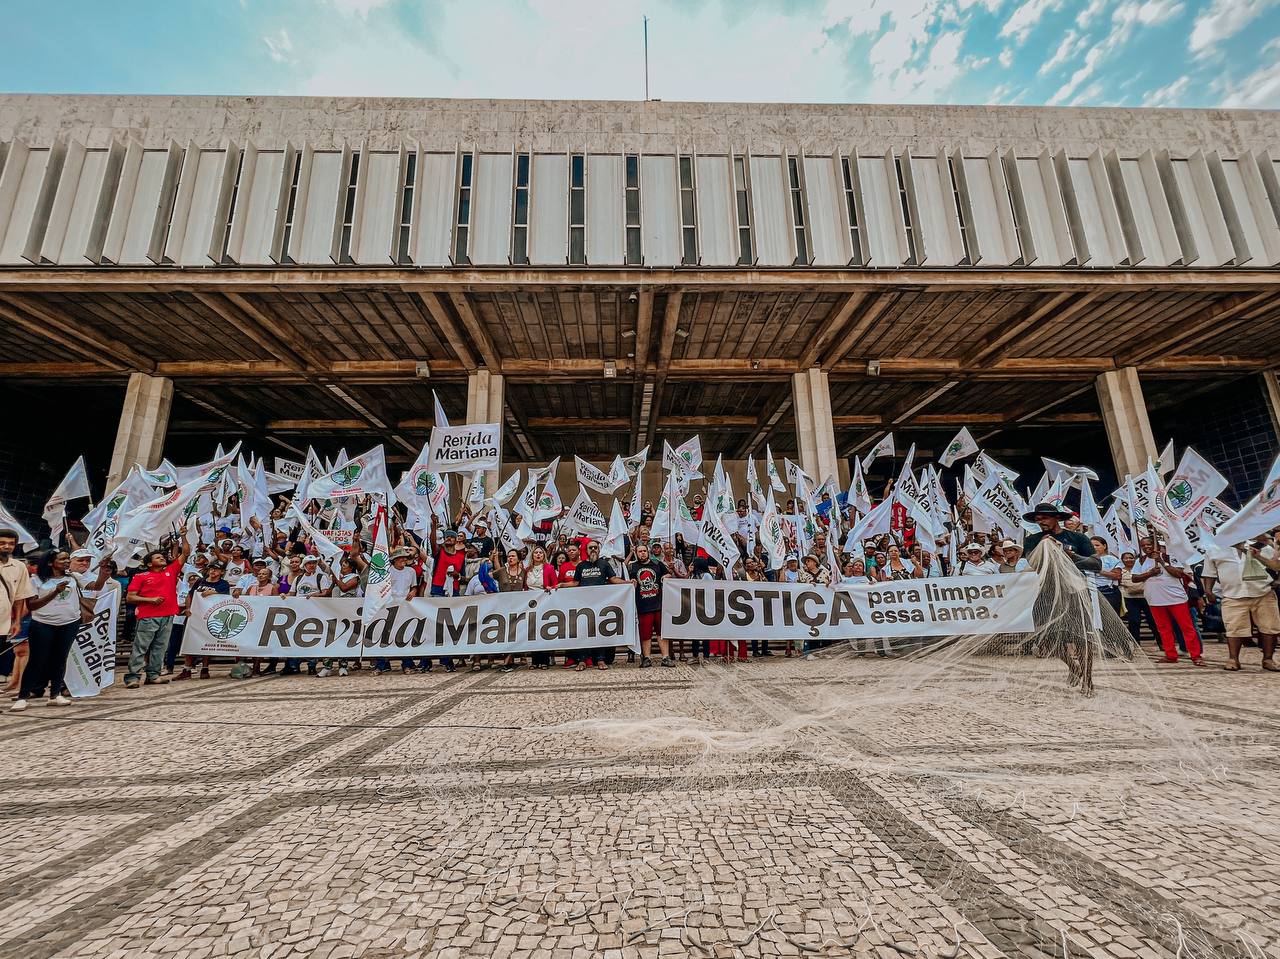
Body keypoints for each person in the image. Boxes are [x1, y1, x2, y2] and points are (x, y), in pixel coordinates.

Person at [12, 549, 80, 710]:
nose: (66, 561)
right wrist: (55, 591)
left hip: (69, 623)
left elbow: (96, 585)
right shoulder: (36, 580)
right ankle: (23, 696)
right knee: (37, 660)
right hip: (43, 624)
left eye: (67, 559)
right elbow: (32, 605)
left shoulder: (73, 578)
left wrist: (105, 572)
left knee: (60, 659)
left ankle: (55, 694)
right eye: (62, 559)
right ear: (50, 562)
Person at [1201, 538, 1280, 672]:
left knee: (1270, 627)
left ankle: (1268, 659)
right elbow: (1210, 573)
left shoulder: (1261, 546)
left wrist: (1277, 579)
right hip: (1232, 595)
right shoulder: (1214, 549)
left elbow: (1276, 565)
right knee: (1234, 628)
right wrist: (1208, 591)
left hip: (1263, 593)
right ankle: (1233, 659)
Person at [124, 538, 189, 689]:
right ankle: (132, 677)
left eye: (162, 556)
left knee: (160, 647)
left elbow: (185, 553)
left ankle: (153, 675)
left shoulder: (171, 572)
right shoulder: (141, 577)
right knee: (141, 647)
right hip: (148, 617)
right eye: (157, 557)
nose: (162, 558)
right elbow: (130, 597)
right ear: (148, 564)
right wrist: (150, 600)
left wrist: (184, 537)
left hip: (167, 616)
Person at [1132, 538, 1205, 666]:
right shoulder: (1140, 560)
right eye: (1143, 545)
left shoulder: (1169, 557)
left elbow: (1178, 574)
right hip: (1155, 600)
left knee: (1187, 628)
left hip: (1176, 599)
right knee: (1164, 629)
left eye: (1149, 544)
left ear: (1155, 545)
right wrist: (1149, 573)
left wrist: (1161, 561)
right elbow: (1134, 578)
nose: (1146, 547)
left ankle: (1196, 656)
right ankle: (1170, 654)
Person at [571, 541, 625, 670]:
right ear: (587, 550)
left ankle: (600, 659)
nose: (593, 549)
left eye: (595, 547)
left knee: (600, 632)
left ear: (599, 550)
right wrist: (560, 585)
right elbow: (575, 583)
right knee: (583, 633)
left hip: (601, 605)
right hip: (584, 605)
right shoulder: (581, 566)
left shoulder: (604, 564)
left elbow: (613, 579)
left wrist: (627, 582)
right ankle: (582, 660)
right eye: (591, 548)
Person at [175, 561, 231, 680]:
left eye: (216, 569)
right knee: (188, 641)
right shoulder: (200, 581)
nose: (212, 571)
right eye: (211, 568)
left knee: (207, 643)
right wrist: (188, 608)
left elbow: (225, 597)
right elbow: (190, 595)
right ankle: (187, 669)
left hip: (210, 617)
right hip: (194, 615)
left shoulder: (223, 584)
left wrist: (215, 592)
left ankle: (205, 668)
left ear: (221, 572)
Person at [0, 529, 35, 699]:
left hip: (5, 621)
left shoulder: (20, 567)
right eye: (2, 543)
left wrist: (17, 621)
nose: (7, 546)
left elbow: (21, 596)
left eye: (11, 543)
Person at [629, 542, 674, 668]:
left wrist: (666, 576)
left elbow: (669, 574)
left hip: (659, 605)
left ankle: (665, 657)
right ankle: (647, 658)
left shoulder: (657, 564)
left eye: (644, 551)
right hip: (643, 606)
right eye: (639, 551)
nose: (642, 553)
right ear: (636, 553)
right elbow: (630, 581)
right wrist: (632, 581)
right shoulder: (633, 567)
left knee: (662, 633)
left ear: (648, 552)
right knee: (645, 634)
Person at [524, 545, 558, 668]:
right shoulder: (527, 570)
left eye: (541, 553)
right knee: (533, 632)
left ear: (544, 555)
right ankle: (534, 661)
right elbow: (525, 587)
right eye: (536, 553)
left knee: (543, 631)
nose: (538, 554)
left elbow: (555, 585)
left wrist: (550, 588)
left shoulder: (549, 568)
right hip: (531, 604)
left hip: (545, 603)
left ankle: (544, 660)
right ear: (532, 555)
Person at [494, 548, 526, 672]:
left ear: (518, 558)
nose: (510, 558)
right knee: (506, 634)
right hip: (504, 607)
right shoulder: (502, 571)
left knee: (515, 633)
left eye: (513, 556)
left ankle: (510, 660)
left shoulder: (524, 572)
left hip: (519, 607)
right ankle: (508, 660)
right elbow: (487, 577)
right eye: (508, 556)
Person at [1119, 550, 1157, 642]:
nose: (1129, 560)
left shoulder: (1141, 568)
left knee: (1152, 620)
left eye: (1131, 558)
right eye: (1126, 558)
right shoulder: (1120, 571)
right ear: (1122, 560)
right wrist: (1140, 581)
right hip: (1130, 599)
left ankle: (1161, 642)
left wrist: (1138, 581)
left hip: (1145, 597)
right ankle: (1136, 643)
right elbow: (1126, 583)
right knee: (1134, 621)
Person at [1089, 537, 1123, 614]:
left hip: (1108, 592)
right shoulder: (1086, 559)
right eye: (1091, 545)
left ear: (1104, 546)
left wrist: (1098, 571)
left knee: (1111, 616)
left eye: (1097, 545)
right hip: (1091, 591)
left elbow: (1117, 575)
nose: (1094, 547)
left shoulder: (1112, 559)